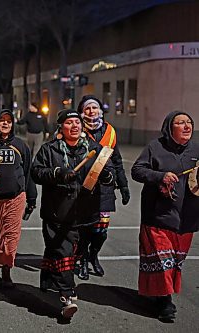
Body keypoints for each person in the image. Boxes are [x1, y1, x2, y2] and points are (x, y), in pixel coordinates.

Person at [31, 109, 113, 319]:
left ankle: (48, 276)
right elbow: (36, 172)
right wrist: (58, 174)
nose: (75, 126)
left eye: (78, 122)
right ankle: (67, 296)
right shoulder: (49, 150)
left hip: (86, 213)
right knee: (63, 253)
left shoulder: (94, 149)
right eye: (69, 122)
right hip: (58, 213)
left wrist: (105, 174)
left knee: (74, 254)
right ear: (61, 127)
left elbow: (108, 177)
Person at [131, 111, 198, 322]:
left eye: (189, 123)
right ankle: (165, 301)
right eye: (181, 123)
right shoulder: (155, 147)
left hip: (186, 218)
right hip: (158, 217)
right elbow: (137, 170)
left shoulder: (196, 149)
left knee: (176, 262)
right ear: (170, 127)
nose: (186, 126)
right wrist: (160, 176)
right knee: (162, 262)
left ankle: (159, 294)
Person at [0, 109, 37, 286]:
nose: (5, 123)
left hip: (15, 199)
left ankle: (6, 269)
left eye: (9, 121)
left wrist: (31, 198)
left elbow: (27, 173)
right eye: (1, 120)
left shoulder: (20, 145)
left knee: (10, 237)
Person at [75, 95, 131, 280]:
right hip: (84, 186)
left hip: (106, 187)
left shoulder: (110, 132)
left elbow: (117, 160)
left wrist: (123, 185)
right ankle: (82, 258)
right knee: (84, 228)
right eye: (87, 108)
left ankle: (93, 255)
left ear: (100, 110)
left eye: (95, 107)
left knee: (101, 230)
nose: (92, 111)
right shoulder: (77, 130)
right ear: (82, 112)